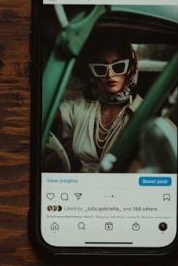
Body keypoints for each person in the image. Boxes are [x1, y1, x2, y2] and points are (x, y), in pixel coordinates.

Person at [51, 39, 142, 172]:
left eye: (118, 66)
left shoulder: (143, 111)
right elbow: (44, 113)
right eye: (100, 68)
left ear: (130, 68)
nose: (109, 75)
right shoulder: (78, 107)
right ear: (93, 72)